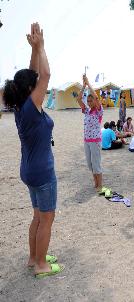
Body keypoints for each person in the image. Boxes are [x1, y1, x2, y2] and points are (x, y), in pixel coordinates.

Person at [3, 23, 63, 278]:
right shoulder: (30, 106)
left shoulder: (21, 105)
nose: (39, 83)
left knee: (37, 216)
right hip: (41, 172)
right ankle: (41, 264)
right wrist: (41, 47)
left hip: (29, 169)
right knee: (46, 219)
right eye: (35, 84)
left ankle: (33, 257)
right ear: (31, 90)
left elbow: (32, 75)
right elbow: (45, 75)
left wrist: (34, 50)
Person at [76, 74, 104, 192]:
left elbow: (96, 98)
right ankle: (95, 182)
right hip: (87, 140)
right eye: (87, 101)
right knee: (89, 163)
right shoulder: (86, 110)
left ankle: (99, 185)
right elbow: (78, 99)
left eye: (90, 100)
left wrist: (89, 84)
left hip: (95, 140)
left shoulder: (98, 111)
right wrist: (84, 86)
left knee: (96, 163)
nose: (89, 102)